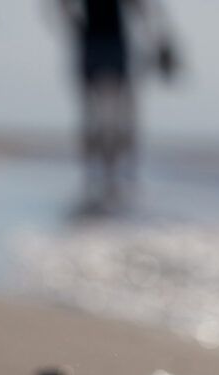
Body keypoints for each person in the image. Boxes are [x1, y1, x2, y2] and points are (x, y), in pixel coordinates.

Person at [59, 0, 178, 215]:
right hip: (104, 45)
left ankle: (107, 179)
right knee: (106, 116)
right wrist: (159, 39)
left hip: (101, 44)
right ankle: (105, 180)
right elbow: (145, 10)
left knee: (105, 117)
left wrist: (159, 40)